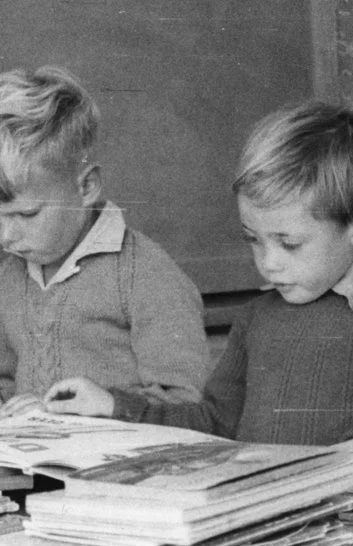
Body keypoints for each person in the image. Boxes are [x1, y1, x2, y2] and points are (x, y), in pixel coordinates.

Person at [44, 101, 353, 445]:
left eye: (289, 243)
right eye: (254, 239)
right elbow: (214, 422)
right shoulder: (256, 319)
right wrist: (113, 405)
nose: (268, 262)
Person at [0, 66, 208, 417]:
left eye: (27, 214)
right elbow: (5, 378)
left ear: (86, 187)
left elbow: (185, 401)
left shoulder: (143, 273)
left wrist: (102, 409)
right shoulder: (9, 273)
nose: (6, 236)